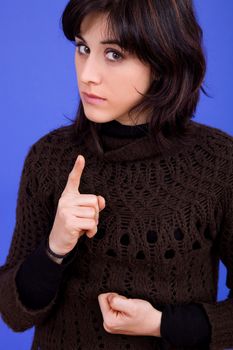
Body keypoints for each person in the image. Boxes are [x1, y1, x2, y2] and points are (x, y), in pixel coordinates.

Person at [0, 0, 233, 349]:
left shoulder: (218, 163)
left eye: (114, 54)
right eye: (83, 48)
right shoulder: (49, 158)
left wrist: (163, 324)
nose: (87, 74)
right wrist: (55, 249)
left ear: (163, 59)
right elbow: (13, 314)